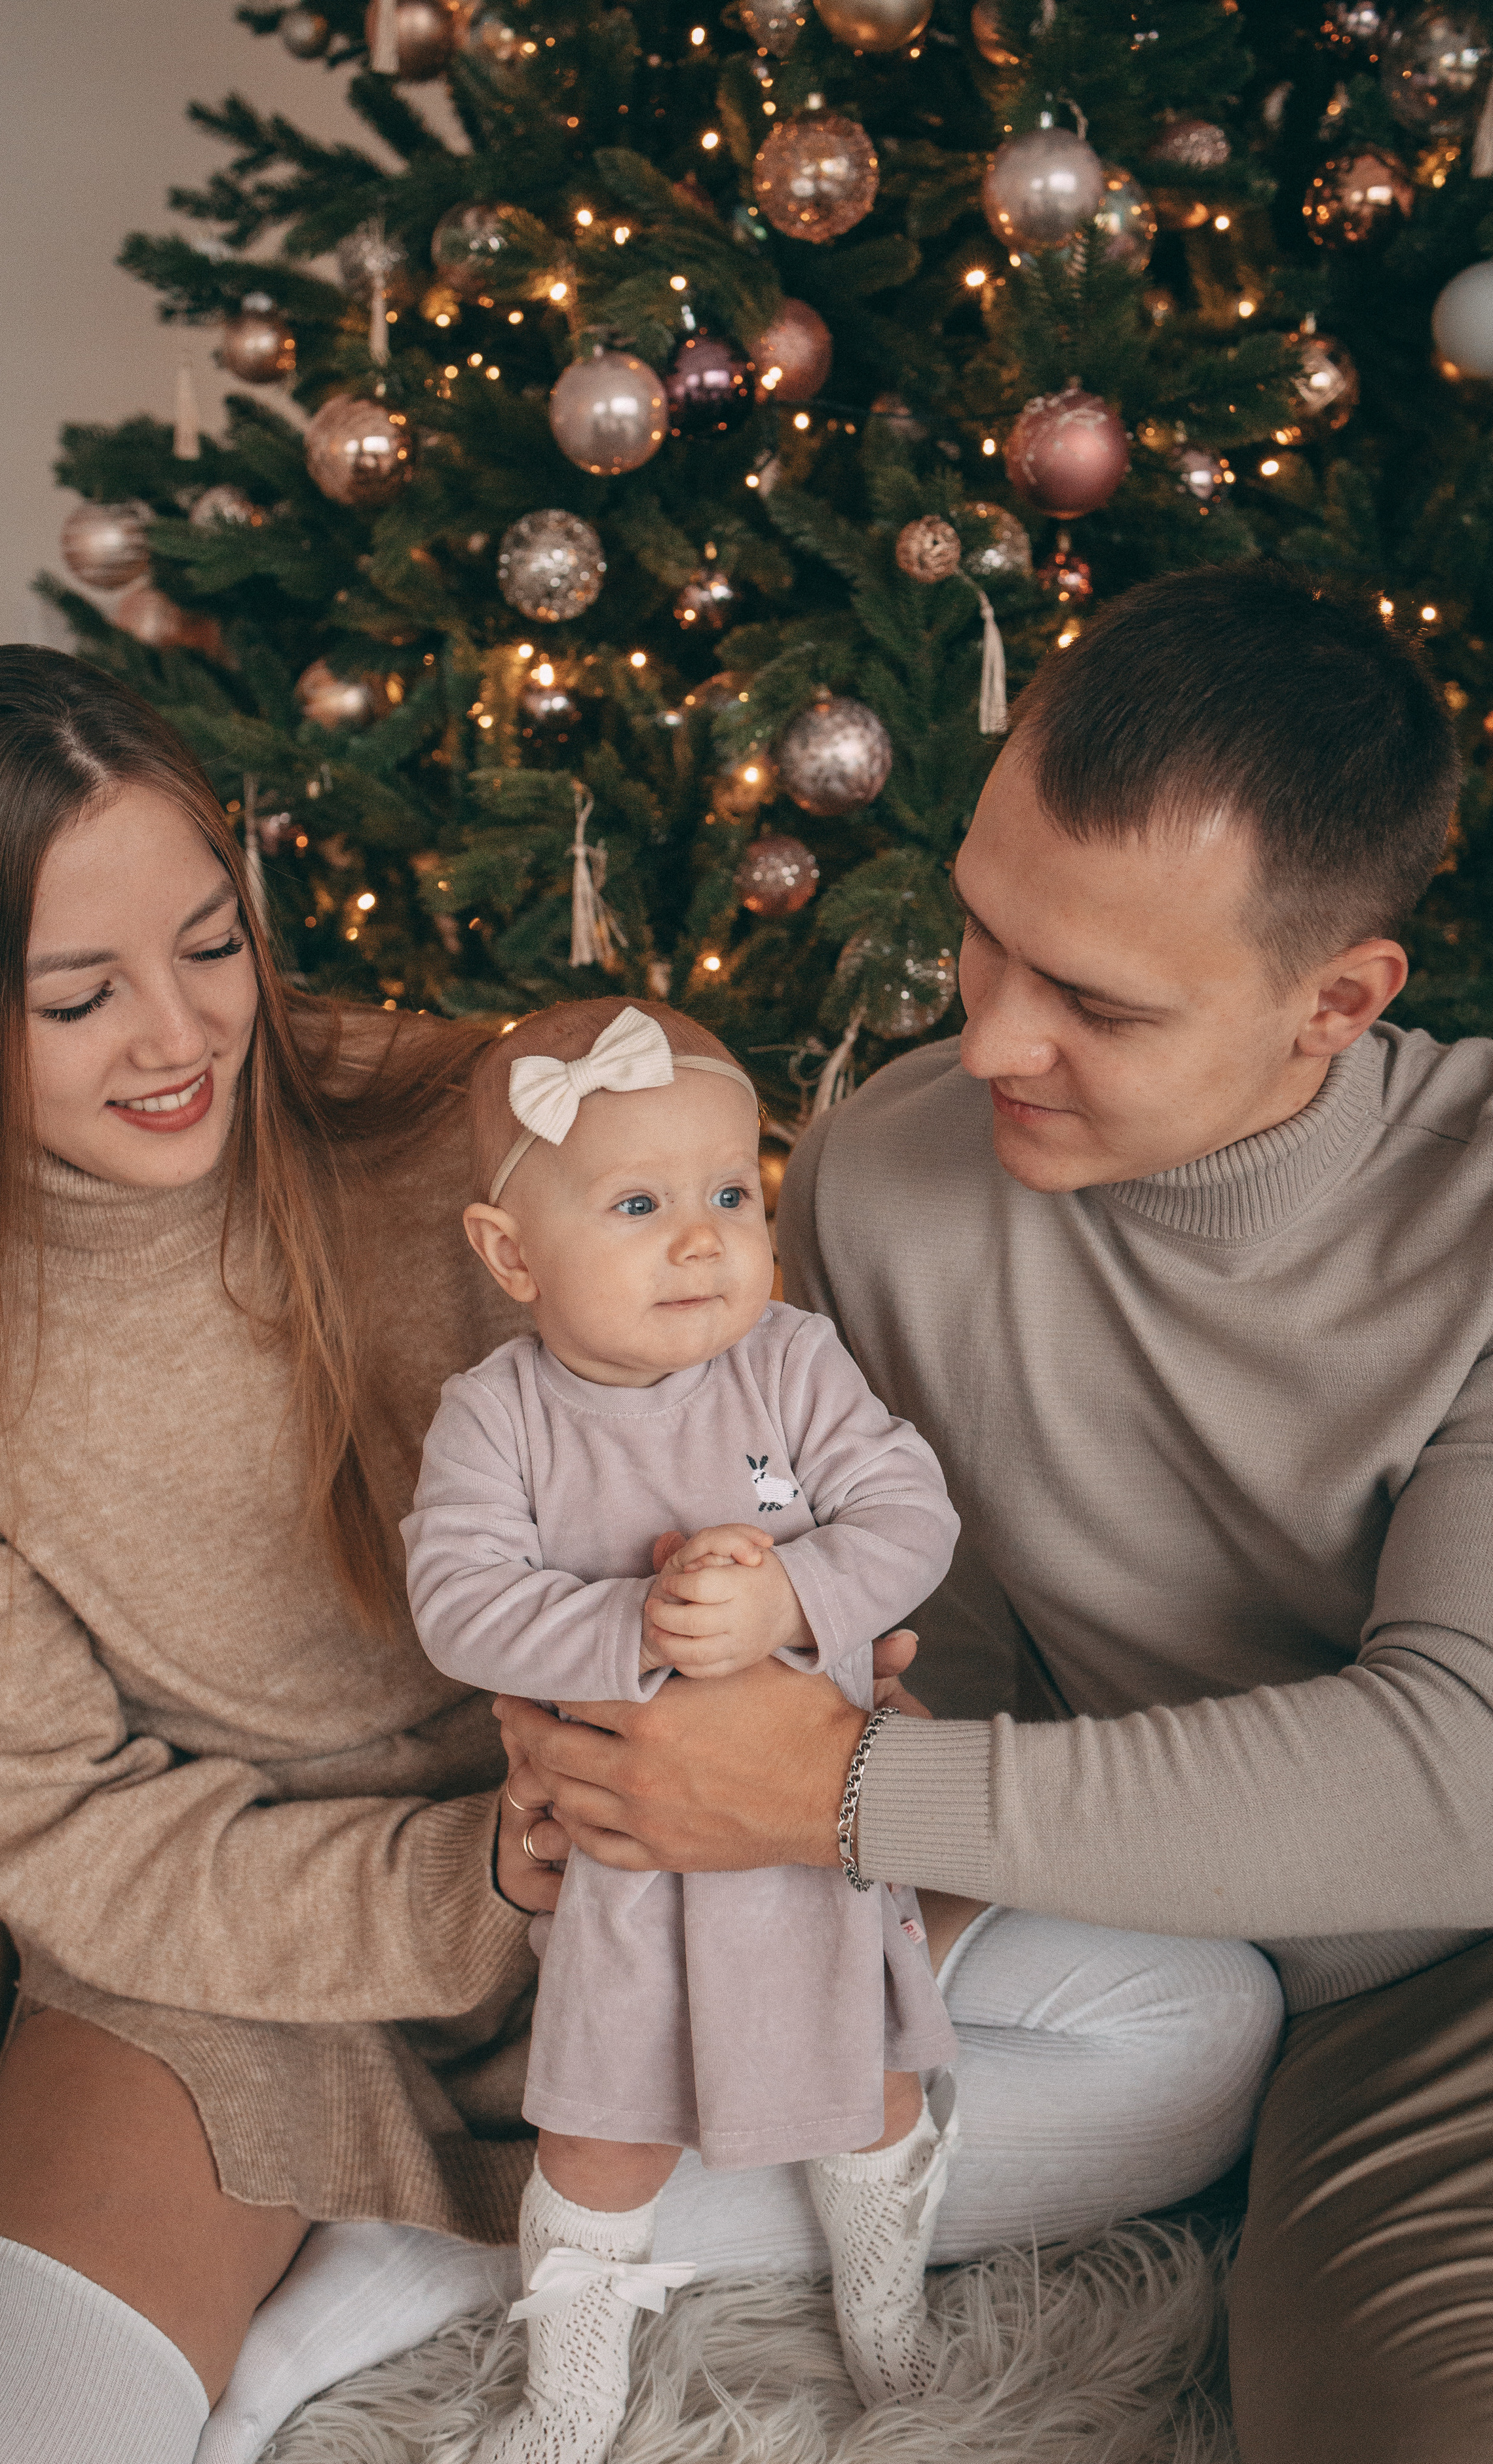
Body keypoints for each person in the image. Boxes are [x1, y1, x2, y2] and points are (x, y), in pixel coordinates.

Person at [0, 644, 1279, 2464]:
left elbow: (771, 1400)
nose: (185, 1036)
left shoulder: (479, 1130)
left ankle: (454, 2265)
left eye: (209, 945)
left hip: (684, 1860)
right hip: (249, 1983)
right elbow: (72, 1833)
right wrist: (481, 1874)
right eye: (74, 996)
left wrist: (816, 1638)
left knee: (1198, 2022)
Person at [498, 563, 1493, 2464]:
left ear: (1339, 1003)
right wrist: (648, 1722)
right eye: (983, 939)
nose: (995, 1042)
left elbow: (1463, 1774)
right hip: (1358, 2038)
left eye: (1098, 1003)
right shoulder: (892, 1174)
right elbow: (902, 1645)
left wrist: (833, 1791)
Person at [406, 997, 962, 2462]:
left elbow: (911, 1515)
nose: (703, 1239)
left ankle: (885, 2317)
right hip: (626, 1868)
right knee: (597, 2131)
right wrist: (628, 1631)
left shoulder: (790, 1360)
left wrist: (791, 1594)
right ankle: (574, 2399)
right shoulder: (497, 1416)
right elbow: (456, 1603)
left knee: (869, 2092)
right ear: (510, 1254)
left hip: (810, 1844)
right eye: (640, 1206)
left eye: (730, 1194)